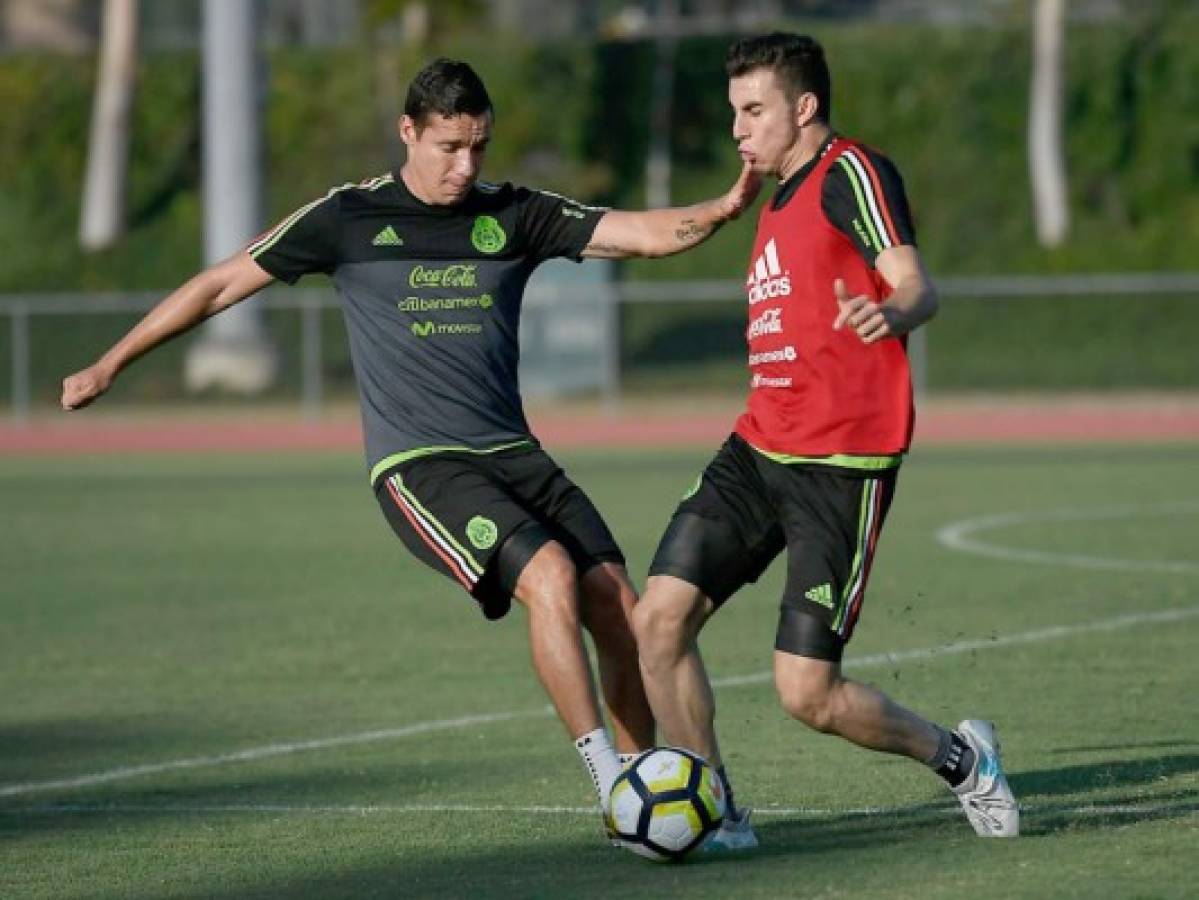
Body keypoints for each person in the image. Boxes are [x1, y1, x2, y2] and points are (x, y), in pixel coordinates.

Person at [60, 58, 761, 831]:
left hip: (514, 454)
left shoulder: (515, 213)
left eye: (478, 148)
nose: (465, 166)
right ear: (408, 132)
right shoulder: (346, 218)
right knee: (551, 578)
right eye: (448, 147)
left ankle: (641, 793)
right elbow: (219, 285)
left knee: (618, 610)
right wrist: (110, 362)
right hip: (419, 465)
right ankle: (607, 785)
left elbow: (636, 235)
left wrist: (724, 207)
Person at [631, 33, 1018, 850]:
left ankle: (961, 758)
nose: (738, 128)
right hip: (757, 445)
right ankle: (718, 811)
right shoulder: (773, 198)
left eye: (753, 109)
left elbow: (914, 282)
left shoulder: (851, 171)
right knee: (656, 621)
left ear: (802, 108)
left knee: (807, 695)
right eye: (734, 111)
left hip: (838, 465)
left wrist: (895, 310)